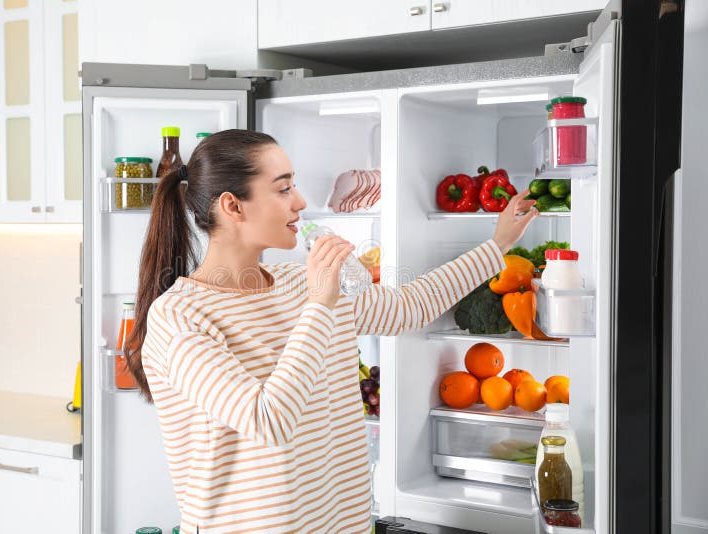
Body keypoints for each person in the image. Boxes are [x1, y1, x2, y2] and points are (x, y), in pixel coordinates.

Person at [125, 129, 537, 534]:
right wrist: (320, 303)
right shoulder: (180, 316)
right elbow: (269, 420)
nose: (301, 202)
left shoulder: (299, 281)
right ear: (233, 206)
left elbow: (409, 308)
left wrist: (497, 244)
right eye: (283, 189)